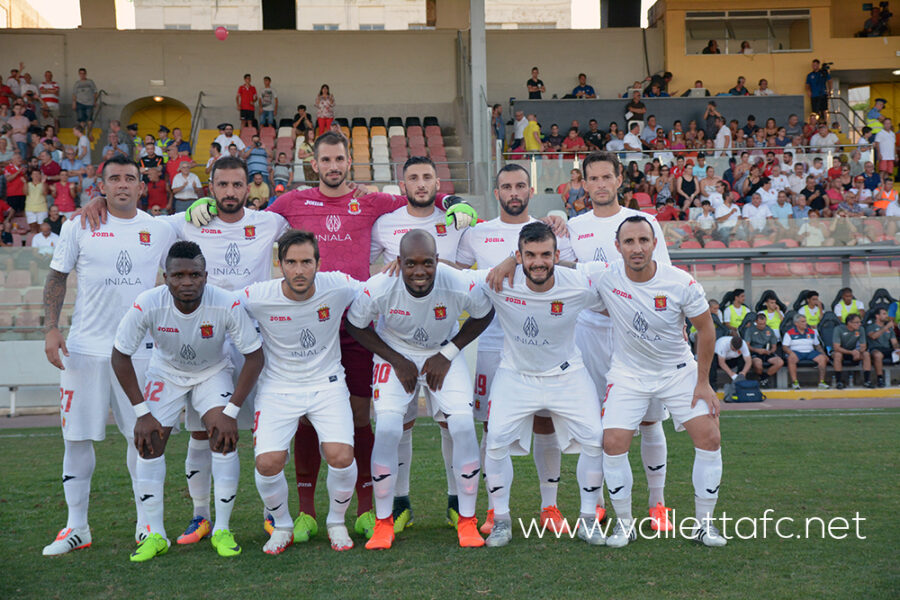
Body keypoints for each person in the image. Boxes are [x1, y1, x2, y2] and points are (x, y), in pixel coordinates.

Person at [186, 132, 478, 540]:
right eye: (326, 160)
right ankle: (305, 511)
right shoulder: (290, 204)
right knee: (305, 414)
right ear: (315, 164)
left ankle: (364, 508)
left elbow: (418, 201)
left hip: (357, 326)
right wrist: (204, 206)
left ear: (348, 162)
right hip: (307, 324)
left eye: (340, 158)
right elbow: (250, 222)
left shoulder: (373, 201)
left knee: (359, 416)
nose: (334, 166)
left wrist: (453, 201)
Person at [41, 155, 178, 556]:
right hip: (83, 350)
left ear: (142, 185)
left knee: (146, 440)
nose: (122, 184)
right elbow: (57, 277)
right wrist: (51, 327)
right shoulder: (78, 225)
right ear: (100, 186)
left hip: (140, 353)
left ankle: (149, 526)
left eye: (130, 178)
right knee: (76, 439)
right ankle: (76, 527)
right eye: (114, 178)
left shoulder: (160, 228)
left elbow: (205, 216)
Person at [573, 215, 724, 547]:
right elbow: (558, 272)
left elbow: (706, 329)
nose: (637, 248)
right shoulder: (605, 277)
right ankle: (624, 525)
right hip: (628, 375)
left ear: (655, 243)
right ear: (618, 247)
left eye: (643, 240)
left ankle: (705, 525)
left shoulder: (680, 283)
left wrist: (703, 382)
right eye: (629, 242)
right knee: (612, 443)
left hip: (677, 372)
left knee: (710, 437)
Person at [111, 241, 263, 562]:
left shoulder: (225, 303)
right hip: (166, 372)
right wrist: (141, 413)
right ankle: (155, 533)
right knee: (149, 442)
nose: (187, 282)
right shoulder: (148, 303)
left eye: (194, 275)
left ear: (206, 276)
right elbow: (120, 356)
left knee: (224, 439)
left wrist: (232, 411)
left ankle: (221, 528)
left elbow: (254, 356)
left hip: (213, 371)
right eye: (178, 275)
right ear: (165, 277)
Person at [346, 230, 494, 549]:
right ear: (397, 263)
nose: (419, 271)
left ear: (437, 261)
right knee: (387, 428)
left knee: (462, 426)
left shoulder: (456, 281)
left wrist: (449, 353)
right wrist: (397, 360)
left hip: (443, 351)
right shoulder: (381, 287)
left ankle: (465, 518)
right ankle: (386, 520)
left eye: (427, 262)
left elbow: (485, 313)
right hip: (396, 351)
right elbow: (355, 324)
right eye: (410, 264)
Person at [470, 223, 606, 547]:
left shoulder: (578, 281)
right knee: (496, 440)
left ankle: (588, 518)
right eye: (529, 255)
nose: (538, 262)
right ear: (518, 256)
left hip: (566, 374)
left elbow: (621, 272)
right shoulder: (498, 280)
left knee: (595, 439)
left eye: (546, 254)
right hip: (515, 374)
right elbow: (447, 279)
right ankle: (500, 518)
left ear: (558, 256)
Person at [455, 165, 574, 534]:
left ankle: (549, 506)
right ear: (496, 192)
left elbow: (568, 270)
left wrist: (516, 256)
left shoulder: (551, 229)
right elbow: (455, 278)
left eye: (520, 185)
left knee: (545, 420)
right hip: (492, 339)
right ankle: (494, 509)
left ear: (531, 189)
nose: (514, 192)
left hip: (543, 342)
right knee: (496, 426)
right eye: (506, 186)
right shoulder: (476, 234)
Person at [563, 153, 673, 531]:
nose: (600, 185)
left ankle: (657, 503)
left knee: (648, 418)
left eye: (606, 177)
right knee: (593, 424)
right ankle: (591, 505)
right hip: (589, 332)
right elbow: (563, 276)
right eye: (592, 178)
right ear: (583, 182)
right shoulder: (573, 227)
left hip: (638, 333)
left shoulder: (646, 223)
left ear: (620, 178)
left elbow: (664, 278)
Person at [241, 230, 365, 554]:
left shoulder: (337, 286)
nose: (299, 270)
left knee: (341, 456)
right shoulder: (258, 295)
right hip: (278, 387)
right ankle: (282, 525)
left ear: (318, 263)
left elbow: (376, 289)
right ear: (279, 264)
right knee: (267, 463)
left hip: (327, 384)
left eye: (306, 262)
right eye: (291, 262)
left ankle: (336, 522)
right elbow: (217, 304)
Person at [782, 314, 829, 390]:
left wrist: (824, 354)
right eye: (803, 322)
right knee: (791, 358)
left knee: (822, 359)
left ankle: (821, 382)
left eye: (805, 321)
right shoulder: (789, 333)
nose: (805, 323)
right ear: (796, 323)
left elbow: (817, 346)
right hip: (796, 352)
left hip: (810, 352)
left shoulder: (811, 332)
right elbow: (784, 347)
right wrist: (791, 353)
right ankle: (795, 383)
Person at [832, 313, 872, 389]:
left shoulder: (861, 329)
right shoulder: (838, 329)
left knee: (866, 354)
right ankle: (839, 382)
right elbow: (836, 347)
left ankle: (867, 381)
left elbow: (863, 346)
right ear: (849, 323)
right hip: (843, 352)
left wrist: (858, 351)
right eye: (857, 322)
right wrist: (851, 352)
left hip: (855, 352)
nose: (859, 324)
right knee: (837, 355)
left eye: (860, 322)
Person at [744, 313, 784, 388]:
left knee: (780, 362)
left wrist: (770, 351)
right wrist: (757, 350)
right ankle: (763, 379)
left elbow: (774, 346)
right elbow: (747, 345)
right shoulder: (750, 330)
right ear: (756, 322)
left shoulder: (769, 330)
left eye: (764, 323)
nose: (762, 326)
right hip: (755, 352)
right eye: (760, 324)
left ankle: (763, 377)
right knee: (758, 364)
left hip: (767, 352)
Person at [866, 308, 899, 388]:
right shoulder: (871, 326)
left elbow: (894, 342)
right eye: (884, 314)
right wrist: (885, 327)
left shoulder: (890, 329)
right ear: (877, 316)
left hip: (887, 349)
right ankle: (880, 379)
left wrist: (897, 349)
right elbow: (873, 336)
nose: (886, 316)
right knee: (878, 355)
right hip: (875, 348)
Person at [71, 67, 97, 133]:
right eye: (81, 74)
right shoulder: (77, 83)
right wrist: (74, 103)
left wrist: (95, 101)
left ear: (86, 74)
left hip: (89, 103)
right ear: (79, 74)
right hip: (79, 103)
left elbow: (95, 92)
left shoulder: (90, 82)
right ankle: (82, 133)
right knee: (81, 120)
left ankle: (89, 133)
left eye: (83, 73)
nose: (82, 75)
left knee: (89, 119)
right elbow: (74, 94)